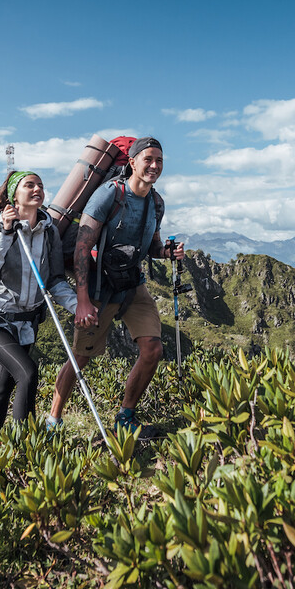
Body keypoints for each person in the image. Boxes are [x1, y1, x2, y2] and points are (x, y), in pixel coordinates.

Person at [47, 136, 185, 436]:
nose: (154, 165)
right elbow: (83, 248)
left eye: (159, 160)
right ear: (132, 162)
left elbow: (152, 246)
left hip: (133, 283)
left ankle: (125, 416)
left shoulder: (156, 202)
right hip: (100, 286)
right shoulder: (108, 195)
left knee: (153, 349)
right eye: (148, 159)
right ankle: (54, 419)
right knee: (80, 356)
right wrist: (82, 301)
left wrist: (166, 253)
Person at [0, 170, 76, 455]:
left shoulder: (48, 231)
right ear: (15, 195)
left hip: (26, 323)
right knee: (27, 373)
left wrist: (78, 306)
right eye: (30, 185)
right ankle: (26, 452)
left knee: (2, 390)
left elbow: (54, 281)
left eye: (40, 184)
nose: (37, 188)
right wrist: (4, 234)